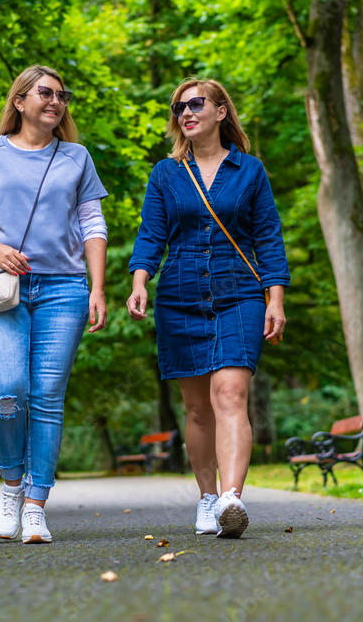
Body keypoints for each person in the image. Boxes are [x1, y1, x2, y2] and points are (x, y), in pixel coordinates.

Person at [0, 64, 109, 544]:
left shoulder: (77, 157)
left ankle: (36, 505)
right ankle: (11, 484)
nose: (56, 101)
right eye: (45, 93)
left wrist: (98, 288)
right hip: (2, 285)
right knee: (8, 389)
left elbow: (92, 223)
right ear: (19, 101)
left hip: (64, 289)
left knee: (46, 397)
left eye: (62, 95)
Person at [127, 78, 289, 538]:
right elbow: (151, 234)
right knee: (198, 409)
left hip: (239, 293)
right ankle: (206, 498)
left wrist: (275, 298)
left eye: (196, 104)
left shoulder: (249, 171)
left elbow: (268, 238)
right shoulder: (166, 174)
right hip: (179, 296)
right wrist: (140, 282)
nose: (186, 112)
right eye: (179, 107)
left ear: (221, 112)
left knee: (230, 395)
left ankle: (231, 498)